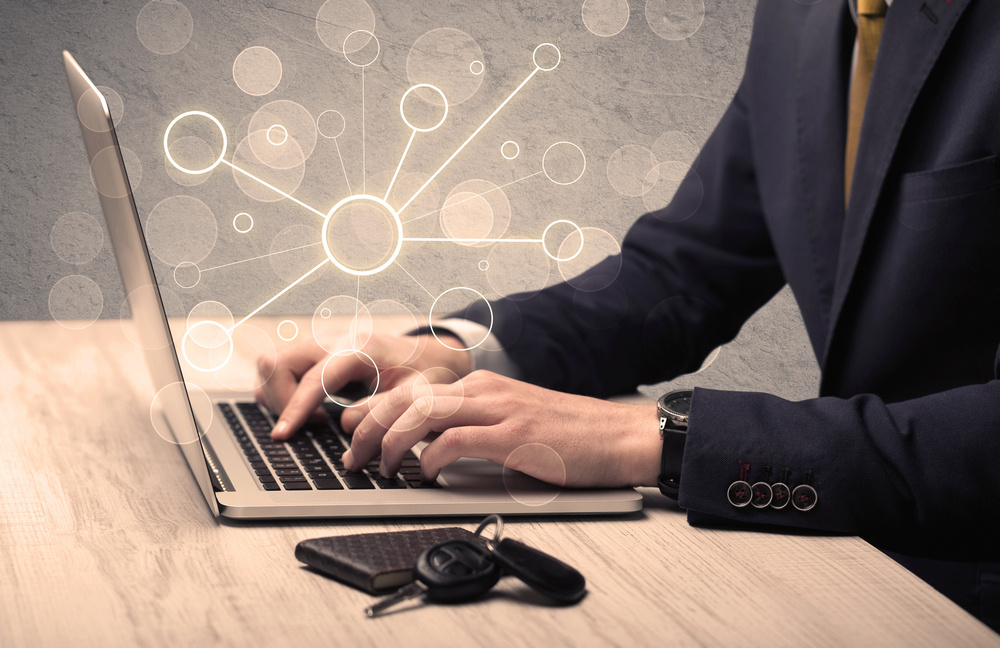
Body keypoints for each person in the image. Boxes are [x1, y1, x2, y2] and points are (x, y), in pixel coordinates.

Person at [256, 0, 1000, 628]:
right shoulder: (802, 14)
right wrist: (453, 349)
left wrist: (658, 438)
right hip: (852, 574)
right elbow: (682, 273)